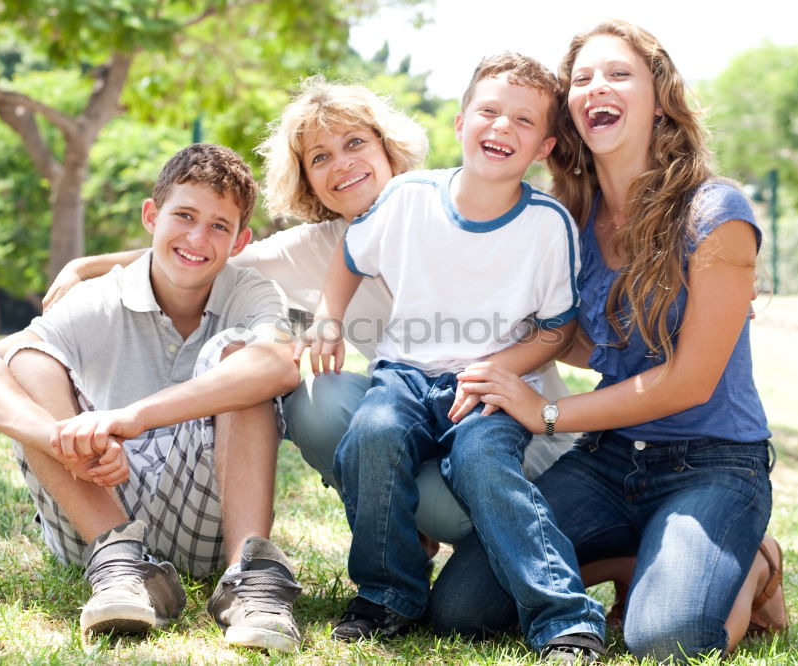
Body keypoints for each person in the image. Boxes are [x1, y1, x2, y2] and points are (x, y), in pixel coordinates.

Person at [44, 77, 579, 550]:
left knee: (468, 583)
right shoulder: (313, 248)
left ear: (388, 149)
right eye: (319, 157)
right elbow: (203, 248)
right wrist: (89, 265)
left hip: (516, 434)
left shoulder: (453, 201)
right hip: (418, 420)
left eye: (354, 143)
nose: (340, 164)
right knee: (317, 401)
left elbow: (563, 323)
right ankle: (403, 537)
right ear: (306, 179)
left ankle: (494, 539)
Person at [429, 20, 788, 662]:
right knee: (459, 611)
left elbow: (688, 381)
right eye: (583, 79)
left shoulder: (717, 213)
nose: (598, 87)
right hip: (609, 459)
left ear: (660, 99)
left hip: (714, 463)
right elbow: (588, 344)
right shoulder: (567, 218)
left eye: (619, 74)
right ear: (569, 111)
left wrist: (543, 412)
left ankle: (754, 564)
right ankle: (640, 558)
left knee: (662, 639)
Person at [296, 53, 607, 661]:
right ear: (462, 121)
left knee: (484, 465)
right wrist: (328, 317)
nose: (501, 128)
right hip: (404, 377)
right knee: (373, 434)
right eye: (489, 112)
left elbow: (556, 327)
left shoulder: (548, 226)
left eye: (522, 121)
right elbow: (351, 258)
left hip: (488, 386)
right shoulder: (409, 197)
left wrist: (503, 370)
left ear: (543, 146)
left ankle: (565, 618)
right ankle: (387, 595)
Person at [0, 144, 304, 651]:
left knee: (243, 361)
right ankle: (121, 566)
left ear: (240, 240)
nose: (198, 238)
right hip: (97, 508)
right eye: (184, 216)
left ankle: (248, 579)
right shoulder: (99, 297)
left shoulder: (250, 293)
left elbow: (277, 365)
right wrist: (65, 439)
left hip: (203, 514)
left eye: (219, 226)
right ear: (151, 215)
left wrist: (132, 418)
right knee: (29, 358)